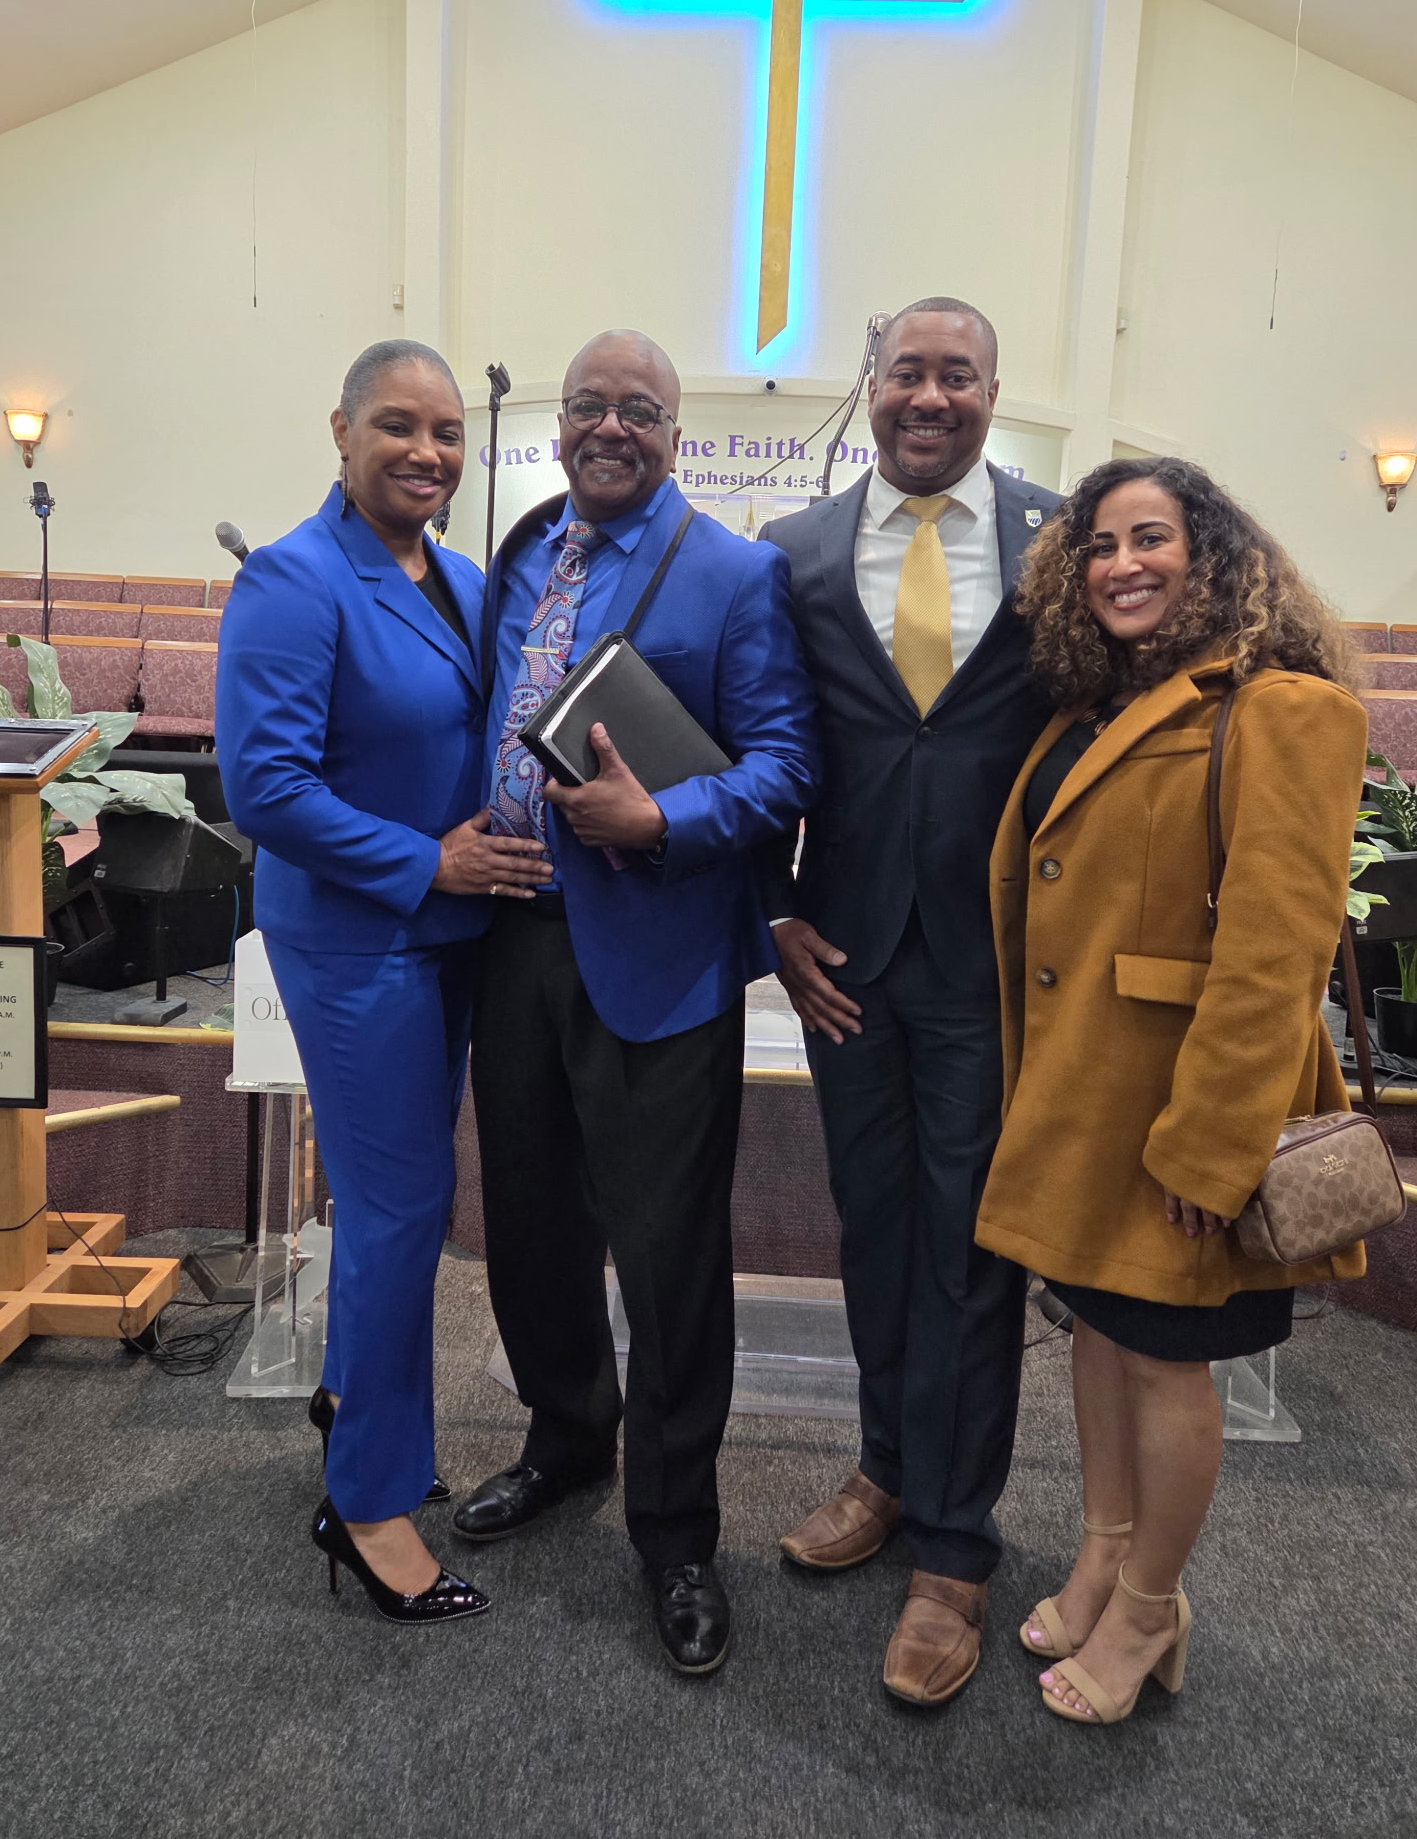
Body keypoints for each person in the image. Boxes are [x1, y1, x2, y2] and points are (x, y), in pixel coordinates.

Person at [976, 456, 1368, 1726]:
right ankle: (1102, 1551)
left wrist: (1211, 1146)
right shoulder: (1095, 705)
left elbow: (1276, 954)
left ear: (1213, 556)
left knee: (1165, 1365)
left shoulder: (1281, 706)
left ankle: (1153, 1603)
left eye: (1152, 539)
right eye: (1097, 544)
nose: (1121, 564)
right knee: (1099, 1332)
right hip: (1086, 1092)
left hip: (1180, 1104)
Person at [451, 328, 818, 1675]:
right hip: (512, 940)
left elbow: (784, 763)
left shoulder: (735, 572)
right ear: (559, 420)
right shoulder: (521, 551)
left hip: (656, 954)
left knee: (668, 1262)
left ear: (677, 431)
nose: (612, 426)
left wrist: (662, 814)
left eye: (641, 411)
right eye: (590, 405)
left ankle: (676, 1530)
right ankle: (563, 1439)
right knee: (531, 1227)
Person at [217, 338, 551, 1628]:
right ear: (341, 429)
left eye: (449, 432)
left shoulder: (462, 576)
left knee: (402, 1197)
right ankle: (364, 1506)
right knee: (403, 1207)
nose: (428, 452)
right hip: (362, 940)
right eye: (399, 427)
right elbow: (267, 790)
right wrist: (431, 860)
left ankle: (356, 1400)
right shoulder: (297, 582)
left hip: (453, 933)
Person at [758, 297, 1060, 1705]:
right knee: (875, 1235)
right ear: (869, 385)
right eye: (906, 373)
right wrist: (772, 914)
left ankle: (956, 1548)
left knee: (973, 1252)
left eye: (959, 374)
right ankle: (884, 1471)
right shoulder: (797, 554)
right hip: (852, 963)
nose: (929, 397)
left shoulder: (1068, 542)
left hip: (1001, 966)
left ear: (996, 391)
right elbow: (759, 736)